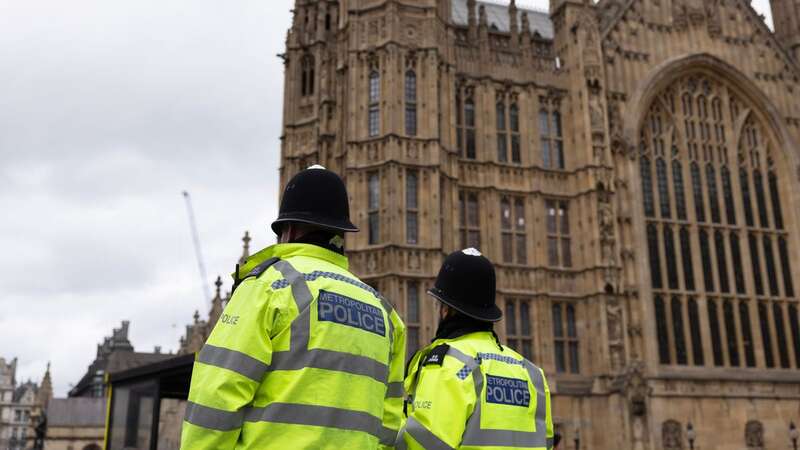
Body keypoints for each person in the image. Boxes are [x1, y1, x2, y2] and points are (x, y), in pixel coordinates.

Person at [181, 165, 407, 450]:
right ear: (341, 234)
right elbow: (388, 424)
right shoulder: (385, 313)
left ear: (288, 229)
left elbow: (216, 398)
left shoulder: (268, 287)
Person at [398, 248, 554, 450]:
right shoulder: (532, 376)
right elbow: (546, 443)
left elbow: (422, 444)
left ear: (446, 309)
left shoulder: (452, 365)